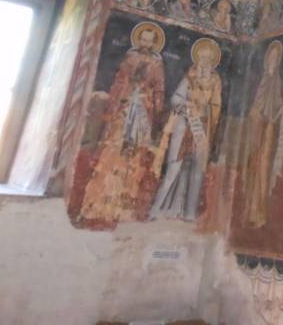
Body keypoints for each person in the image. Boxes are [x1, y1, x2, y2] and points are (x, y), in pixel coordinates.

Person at [80, 22, 166, 223]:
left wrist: (152, 102)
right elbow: (119, 82)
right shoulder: (130, 59)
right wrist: (120, 98)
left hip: (142, 112)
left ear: (154, 44)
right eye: (142, 39)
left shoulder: (157, 65)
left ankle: (124, 205)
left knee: (134, 155)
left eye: (149, 41)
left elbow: (159, 90)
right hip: (124, 109)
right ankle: (100, 202)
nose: (145, 43)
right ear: (138, 40)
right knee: (114, 150)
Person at [151, 38, 222, 221]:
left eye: (207, 59)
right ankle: (158, 209)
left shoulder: (215, 81)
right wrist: (186, 105)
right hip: (184, 125)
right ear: (197, 59)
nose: (204, 62)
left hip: (201, 129)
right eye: (201, 58)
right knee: (174, 166)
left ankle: (189, 213)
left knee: (197, 170)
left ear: (212, 62)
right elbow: (175, 98)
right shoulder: (189, 78)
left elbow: (216, 105)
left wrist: (206, 111)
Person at [244, 41, 283, 228]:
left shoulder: (278, 81)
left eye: (276, 57)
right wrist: (257, 114)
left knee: (264, 168)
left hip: (270, 129)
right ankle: (251, 211)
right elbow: (255, 105)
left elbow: (278, 103)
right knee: (254, 167)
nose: (273, 59)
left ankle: (260, 213)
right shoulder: (261, 80)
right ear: (267, 58)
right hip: (258, 130)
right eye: (271, 56)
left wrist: (282, 110)